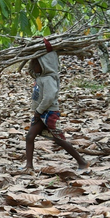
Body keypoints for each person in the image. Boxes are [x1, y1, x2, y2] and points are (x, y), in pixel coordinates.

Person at [24, 44, 88, 172]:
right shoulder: (41, 77)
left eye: (36, 64)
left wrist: (38, 112)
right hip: (41, 113)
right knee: (30, 137)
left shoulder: (48, 78)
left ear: (44, 65)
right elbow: (32, 73)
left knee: (59, 140)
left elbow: (49, 98)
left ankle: (82, 162)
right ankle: (29, 166)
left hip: (48, 113)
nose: (33, 67)